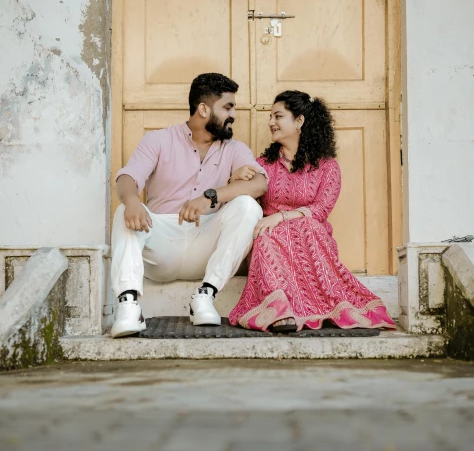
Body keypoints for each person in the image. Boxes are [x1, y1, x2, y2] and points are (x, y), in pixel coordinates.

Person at [110, 73, 267, 337]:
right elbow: (128, 177)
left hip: (205, 243)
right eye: (228, 107)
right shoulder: (159, 140)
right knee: (123, 211)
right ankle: (128, 307)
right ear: (204, 109)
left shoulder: (234, 148)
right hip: (161, 244)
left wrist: (211, 196)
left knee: (248, 206)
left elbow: (259, 184)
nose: (234, 115)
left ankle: (205, 297)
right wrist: (131, 200)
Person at [229, 90, 396, 333]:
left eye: (278, 116)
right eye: (270, 117)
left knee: (305, 226)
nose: (270, 123)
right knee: (265, 235)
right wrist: (233, 177)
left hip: (311, 239)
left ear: (300, 121)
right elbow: (239, 200)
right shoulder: (263, 165)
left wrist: (282, 216)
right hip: (272, 241)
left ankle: (308, 307)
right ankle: (279, 311)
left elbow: (320, 210)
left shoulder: (327, 167)